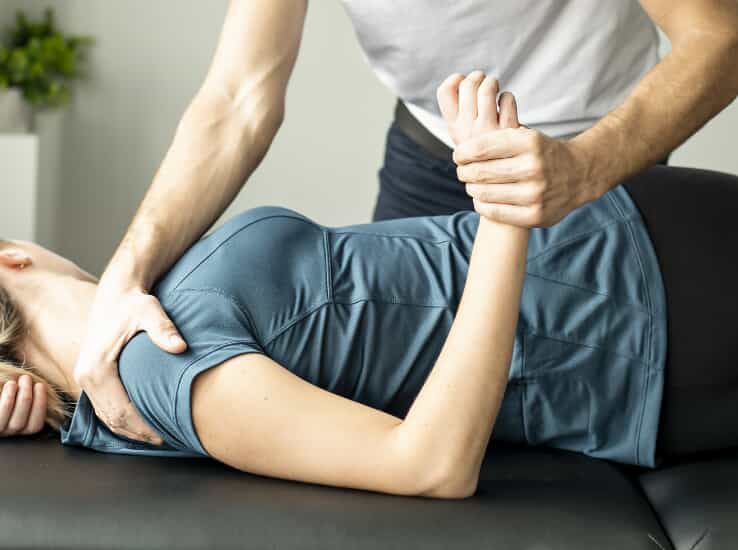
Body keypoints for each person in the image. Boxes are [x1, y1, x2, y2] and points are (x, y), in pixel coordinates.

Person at [3, 0, 733, 442]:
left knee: (600, 357)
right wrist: (121, 279)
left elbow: (718, 36)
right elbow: (239, 97)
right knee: (434, 393)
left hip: (590, 145)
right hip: (431, 149)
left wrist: (585, 168)